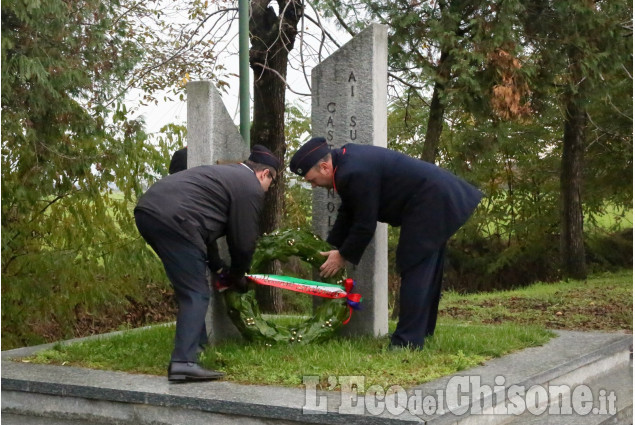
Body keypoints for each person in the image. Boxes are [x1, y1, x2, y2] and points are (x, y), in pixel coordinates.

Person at [289, 137, 482, 350]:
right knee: (426, 268)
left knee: (413, 265)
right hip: (436, 198)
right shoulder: (346, 162)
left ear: (324, 167)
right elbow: (349, 210)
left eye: (312, 180)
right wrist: (331, 245)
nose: (314, 185)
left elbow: (364, 224)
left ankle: (406, 341)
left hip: (430, 201)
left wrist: (342, 256)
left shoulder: (352, 172)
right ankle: (420, 332)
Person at [135, 145, 280, 381]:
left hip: (149, 212)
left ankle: (197, 345)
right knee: (196, 292)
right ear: (265, 174)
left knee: (189, 287)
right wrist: (238, 276)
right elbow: (243, 242)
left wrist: (218, 267)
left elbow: (204, 229)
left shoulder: (226, 177)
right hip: (176, 219)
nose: (265, 190)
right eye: (269, 184)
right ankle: (183, 363)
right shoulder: (249, 186)